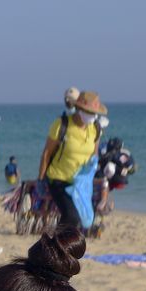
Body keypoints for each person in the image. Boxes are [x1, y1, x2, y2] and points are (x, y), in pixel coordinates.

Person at [37, 90, 105, 231]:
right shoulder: (62, 125)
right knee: (71, 217)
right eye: (90, 112)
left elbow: (94, 155)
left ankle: (59, 245)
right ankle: (55, 246)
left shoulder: (96, 128)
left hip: (80, 184)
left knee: (84, 219)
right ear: (80, 109)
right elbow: (47, 153)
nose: (93, 116)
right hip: (58, 180)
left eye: (95, 113)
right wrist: (41, 179)